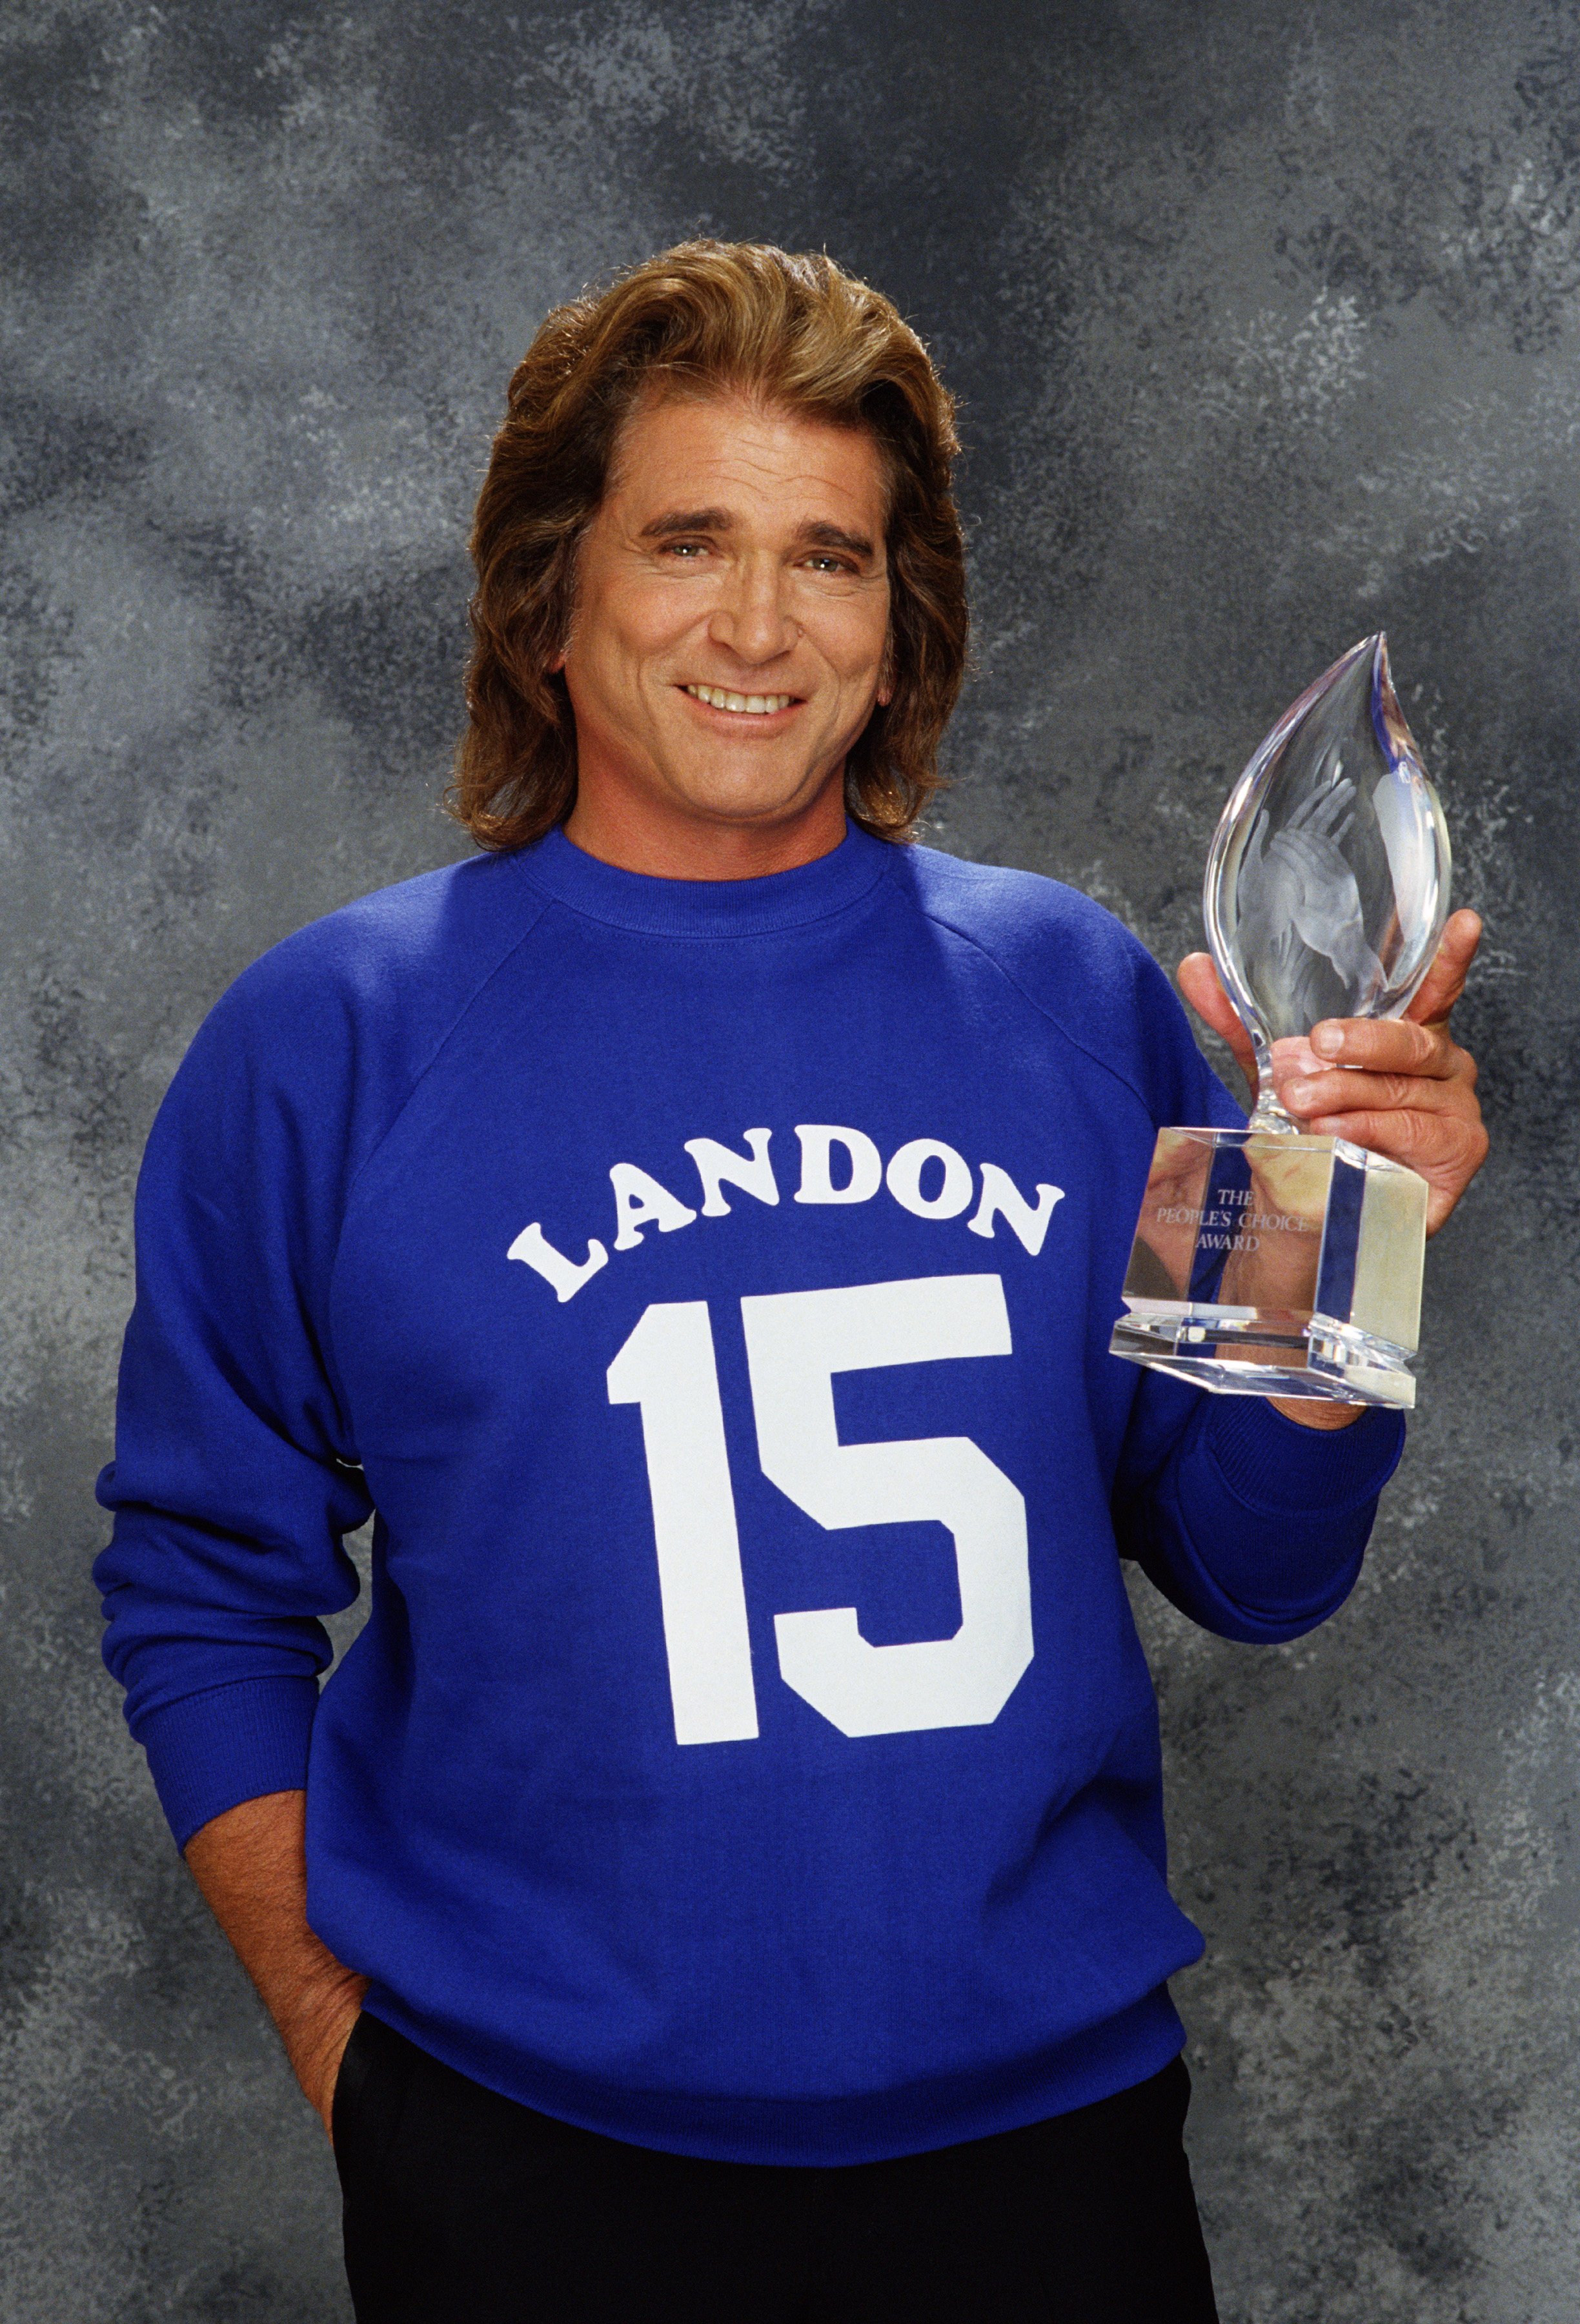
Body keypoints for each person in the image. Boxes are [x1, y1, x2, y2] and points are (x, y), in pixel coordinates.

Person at [94, 241, 1488, 2323]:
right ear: (554, 591)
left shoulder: (1072, 997)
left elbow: (1252, 1567)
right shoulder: (332, 1041)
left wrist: (1351, 1232)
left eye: (828, 558)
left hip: (1049, 2164)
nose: (757, 625)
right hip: (521, 2160)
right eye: (688, 541)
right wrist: (341, 2042)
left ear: (894, 621)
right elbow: (203, 1582)